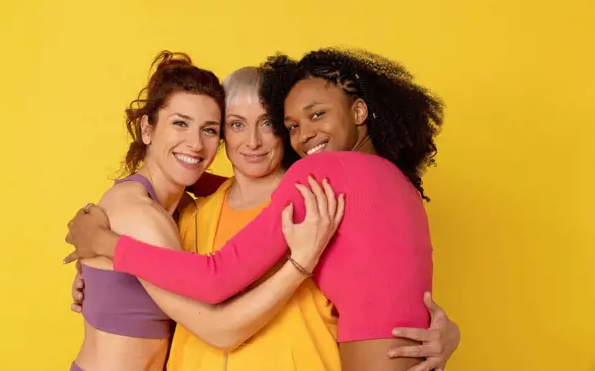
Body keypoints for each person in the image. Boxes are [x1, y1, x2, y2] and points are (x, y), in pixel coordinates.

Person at [65, 48, 453, 370]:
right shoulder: (189, 211)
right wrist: (104, 279)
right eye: (235, 125)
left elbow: (215, 281)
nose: (252, 141)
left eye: (267, 123)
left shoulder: (319, 193)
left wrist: (104, 242)